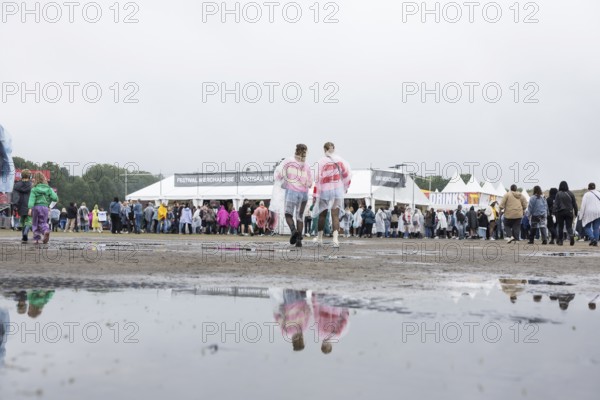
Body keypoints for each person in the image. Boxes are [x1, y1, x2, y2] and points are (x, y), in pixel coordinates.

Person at [272, 144, 313, 247]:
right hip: (303, 194)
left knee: (288, 214)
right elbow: (310, 183)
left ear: (296, 150)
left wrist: (280, 179)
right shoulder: (307, 165)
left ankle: (293, 231)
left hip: (292, 192)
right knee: (300, 217)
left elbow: (279, 175)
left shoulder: (289, 161)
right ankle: (299, 241)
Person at [313, 142, 351, 247]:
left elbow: (317, 178)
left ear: (324, 149)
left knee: (322, 215)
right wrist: (345, 187)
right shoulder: (340, 161)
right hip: (337, 190)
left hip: (325, 190)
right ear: (333, 149)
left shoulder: (321, 161)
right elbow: (347, 174)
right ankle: (335, 240)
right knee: (335, 215)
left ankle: (320, 239)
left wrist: (316, 194)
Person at [27, 172, 58, 244]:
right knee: (43, 222)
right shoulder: (49, 189)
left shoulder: (34, 189)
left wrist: (30, 208)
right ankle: (45, 230)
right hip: (45, 207)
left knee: (35, 222)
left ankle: (36, 238)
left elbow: (31, 200)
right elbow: (55, 198)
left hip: (36, 207)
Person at [553, 181, 578, 246]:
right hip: (569, 212)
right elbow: (574, 204)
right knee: (569, 226)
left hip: (560, 212)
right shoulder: (571, 193)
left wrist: (554, 212)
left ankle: (561, 241)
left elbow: (556, 204)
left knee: (560, 227)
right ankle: (571, 236)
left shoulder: (558, 194)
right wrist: (576, 212)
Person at [12, 168, 32, 242]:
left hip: (20, 205)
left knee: (22, 220)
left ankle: (23, 235)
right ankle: (26, 232)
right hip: (30, 205)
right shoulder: (32, 185)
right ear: (30, 176)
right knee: (29, 220)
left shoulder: (17, 185)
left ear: (21, 176)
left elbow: (15, 196)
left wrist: (15, 206)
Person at [579, 182, 600, 247]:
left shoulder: (586, 194)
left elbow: (583, 206)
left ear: (589, 188)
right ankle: (595, 241)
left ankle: (593, 239)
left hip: (589, 213)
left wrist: (581, 216)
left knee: (586, 226)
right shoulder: (599, 193)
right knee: (596, 228)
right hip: (598, 212)